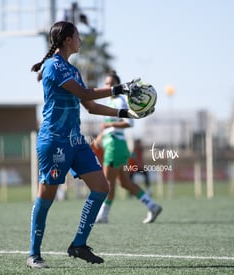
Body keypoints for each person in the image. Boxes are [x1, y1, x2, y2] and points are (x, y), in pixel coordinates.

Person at [27, 21, 143, 269]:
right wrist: (119, 88)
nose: (80, 40)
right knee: (45, 199)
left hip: (76, 141)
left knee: (102, 187)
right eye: (78, 36)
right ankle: (34, 254)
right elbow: (86, 94)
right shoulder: (54, 66)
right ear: (68, 39)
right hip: (54, 141)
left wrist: (126, 113)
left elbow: (89, 106)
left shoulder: (72, 69)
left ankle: (78, 244)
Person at [95, 71, 162, 224]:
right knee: (125, 183)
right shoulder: (111, 101)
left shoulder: (119, 101)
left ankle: (103, 215)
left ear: (117, 86)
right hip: (117, 146)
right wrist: (101, 135)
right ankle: (152, 205)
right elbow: (110, 127)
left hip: (115, 147)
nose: (107, 86)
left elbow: (129, 123)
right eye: (106, 83)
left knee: (107, 183)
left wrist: (109, 125)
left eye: (111, 83)